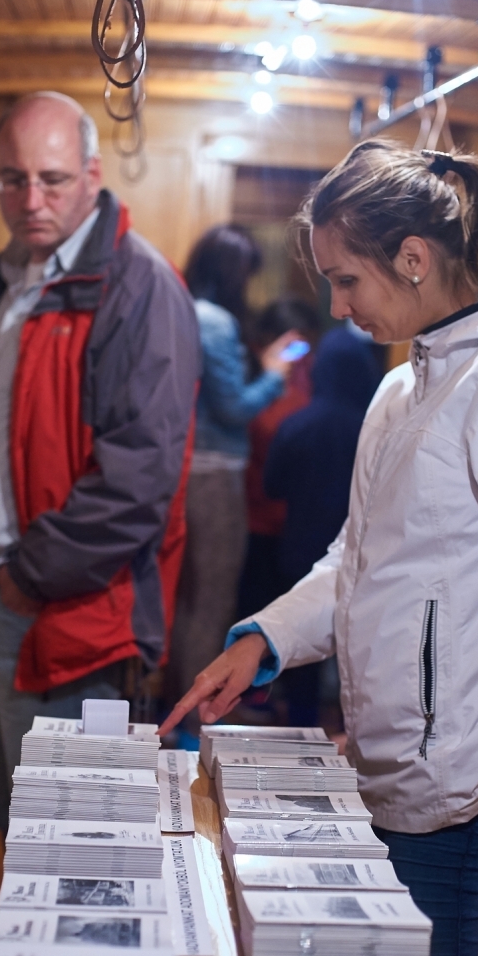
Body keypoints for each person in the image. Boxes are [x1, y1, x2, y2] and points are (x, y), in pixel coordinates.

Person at [159, 139, 478, 956]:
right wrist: (265, 637)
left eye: (347, 281)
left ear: (414, 260)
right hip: (387, 770)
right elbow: (359, 556)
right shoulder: (403, 388)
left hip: (460, 799)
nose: (337, 308)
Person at [0, 91, 200, 831]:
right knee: (12, 817)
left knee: (75, 839)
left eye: (53, 178)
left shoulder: (138, 287)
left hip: (61, 611)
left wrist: (28, 577)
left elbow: (139, 480)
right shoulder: (1, 277)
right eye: (11, 178)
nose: (29, 198)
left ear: (93, 174)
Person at [165, 225, 296, 731]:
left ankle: (178, 713)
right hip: (214, 475)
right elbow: (234, 407)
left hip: (184, 469)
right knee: (210, 600)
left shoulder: (180, 308)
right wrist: (273, 376)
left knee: (187, 598)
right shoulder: (215, 321)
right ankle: (196, 726)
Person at [262, 324, 383, 724]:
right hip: (364, 555)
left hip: (299, 546)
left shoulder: (299, 424)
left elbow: (272, 485)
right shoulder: (376, 431)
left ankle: (301, 728)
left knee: (303, 659)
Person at [238, 297, 320, 622]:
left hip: (298, 524)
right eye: (293, 346)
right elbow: (260, 429)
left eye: (307, 346)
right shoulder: (252, 383)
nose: (300, 355)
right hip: (255, 519)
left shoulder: (315, 378)